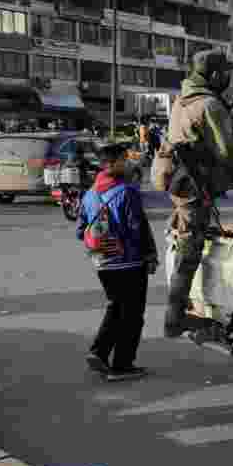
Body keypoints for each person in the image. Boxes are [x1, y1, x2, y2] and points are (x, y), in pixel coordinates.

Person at [157, 49, 233, 338]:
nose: (228, 79)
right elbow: (227, 154)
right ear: (213, 75)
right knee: (190, 250)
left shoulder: (182, 100)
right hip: (193, 184)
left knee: (188, 240)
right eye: (225, 73)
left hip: (178, 180)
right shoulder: (210, 105)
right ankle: (175, 319)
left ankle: (188, 310)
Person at [76, 143, 158, 381]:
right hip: (129, 262)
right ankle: (122, 365)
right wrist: (149, 256)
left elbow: (81, 230)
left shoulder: (90, 194)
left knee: (116, 307)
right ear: (113, 164)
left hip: (102, 262)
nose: (128, 163)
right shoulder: (127, 192)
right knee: (132, 315)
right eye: (124, 159)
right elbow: (137, 228)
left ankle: (99, 352)